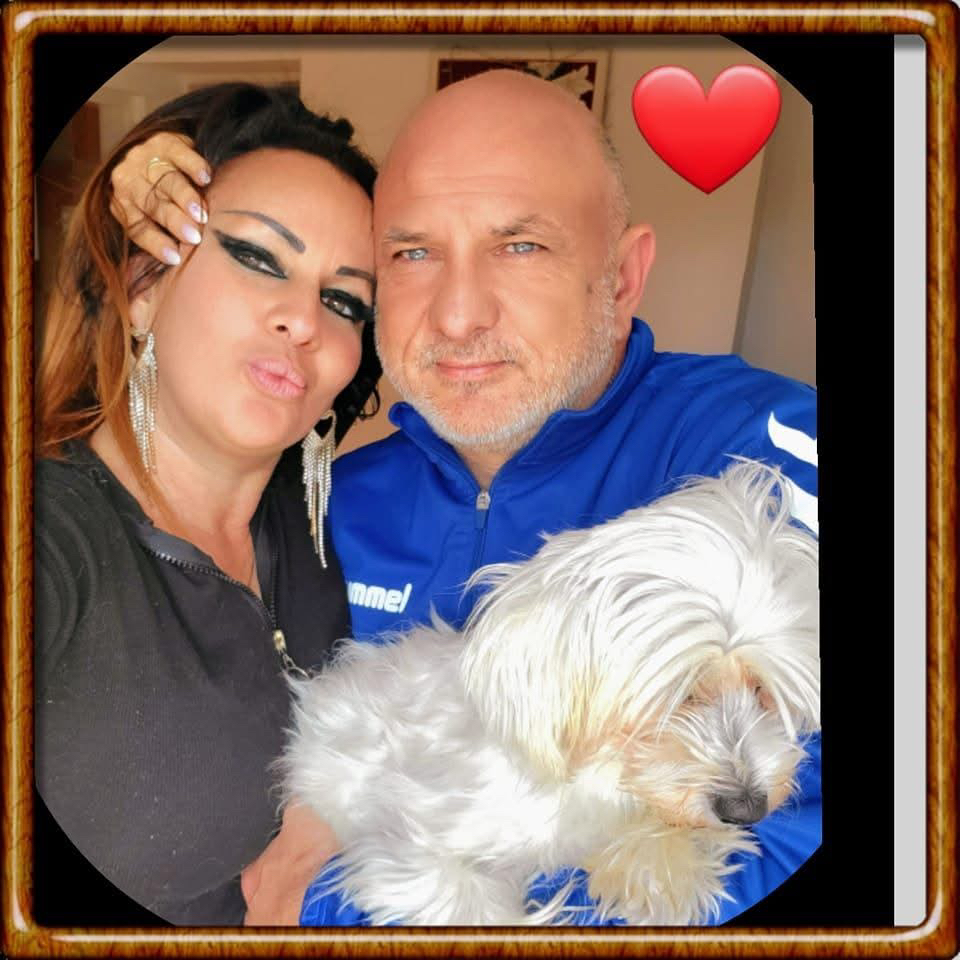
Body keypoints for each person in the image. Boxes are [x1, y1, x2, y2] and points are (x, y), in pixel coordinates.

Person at [111, 69, 819, 927]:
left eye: (519, 245)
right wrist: (132, 232)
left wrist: (330, 906)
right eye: (412, 253)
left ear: (624, 277)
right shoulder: (326, 500)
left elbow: (830, 839)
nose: (456, 315)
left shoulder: (766, 451)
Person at [34, 82, 380, 925]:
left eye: (344, 300)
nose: (304, 319)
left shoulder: (348, 526)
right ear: (142, 286)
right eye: (259, 257)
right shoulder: (47, 537)